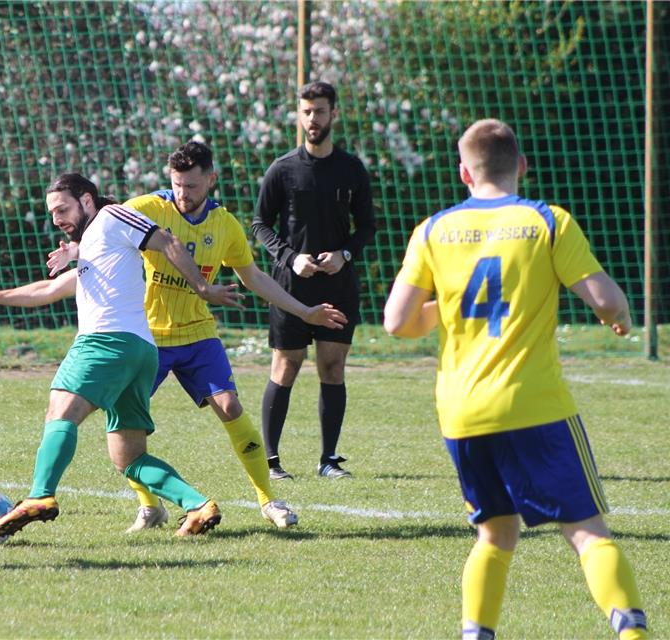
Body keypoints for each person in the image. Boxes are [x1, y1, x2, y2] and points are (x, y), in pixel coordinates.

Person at [383, 119, 647, 640]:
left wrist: (447, 306)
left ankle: (476, 634)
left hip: (462, 411)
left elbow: (396, 322)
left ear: (463, 171)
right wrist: (619, 317)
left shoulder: (434, 229)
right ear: (522, 165)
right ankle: (633, 632)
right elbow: (606, 299)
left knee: (495, 534)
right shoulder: (548, 221)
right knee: (588, 533)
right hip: (535, 405)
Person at [46, 142, 347, 532]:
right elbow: (102, 225)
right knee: (124, 428)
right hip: (147, 338)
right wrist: (74, 248)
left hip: (198, 335)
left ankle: (269, 500)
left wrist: (306, 312)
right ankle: (150, 507)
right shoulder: (150, 208)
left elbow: (253, 278)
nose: (183, 194)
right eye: (176, 185)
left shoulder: (225, 226)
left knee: (230, 407)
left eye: (191, 185)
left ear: (211, 179)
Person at [0, 173, 245, 538]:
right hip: (139, 352)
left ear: (87, 200)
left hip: (105, 342)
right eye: (52, 213)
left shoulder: (113, 217)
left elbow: (167, 240)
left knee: (60, 410)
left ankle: (40, 495)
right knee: (129, 457)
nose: (57, 219)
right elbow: (51, 287)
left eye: (63, 209)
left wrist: (202, 287)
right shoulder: (96, 243)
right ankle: (198, 505)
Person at [251, 80, 376, 480]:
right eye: (306, 111)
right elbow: (259, 225)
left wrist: (345, 254)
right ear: (299, 114)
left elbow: (368, 227)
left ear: (333, 114)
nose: (312, 119)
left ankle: (329, 460)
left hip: (337, 284)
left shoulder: (351, 168)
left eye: (319, 111)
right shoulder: (282, 169)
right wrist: (290, 258)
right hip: (291, 285)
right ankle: (271, 462)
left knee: (332, 366)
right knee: (286, 364)